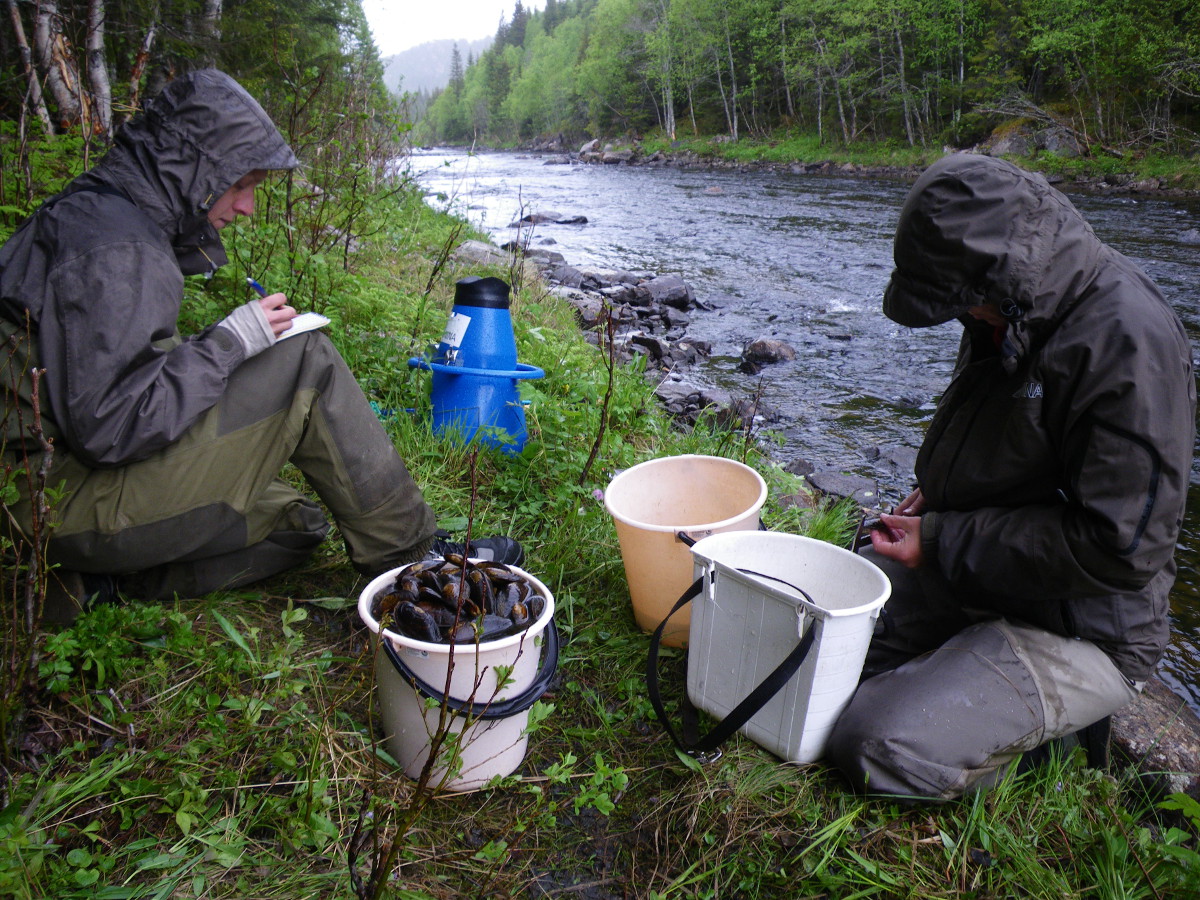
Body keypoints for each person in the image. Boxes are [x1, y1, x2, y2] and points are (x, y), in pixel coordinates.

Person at [0, 69, 520, 621]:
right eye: (241, 183)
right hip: (53, 500)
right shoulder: (121, 250)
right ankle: (416, 561)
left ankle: (92, 584)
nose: (247, 207)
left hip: (37, 494)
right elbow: (113, 427)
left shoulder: (96, 216)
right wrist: (229, 343)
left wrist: (222, 346)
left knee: (294, 521)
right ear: (197, 170)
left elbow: (108, 383)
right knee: (306, 359)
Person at [826, 153, 1196, 800]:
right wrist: (938, 497)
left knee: (872, 746)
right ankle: (958, 675)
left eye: (967, 307)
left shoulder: (1126, 344)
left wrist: (940, 538)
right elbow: (1011, 444)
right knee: (821, 640)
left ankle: (1051, 754)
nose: (964, 320)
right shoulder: (1009, 308)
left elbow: (1120, 550)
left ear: (999, 276)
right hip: (989, 580)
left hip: (1085, 624)